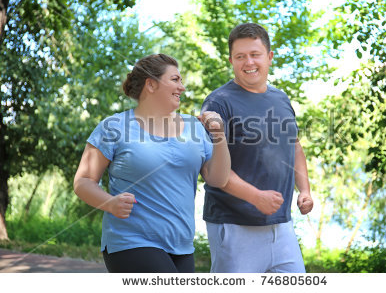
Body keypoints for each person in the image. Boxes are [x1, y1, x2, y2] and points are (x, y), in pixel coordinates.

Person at [73, 53, 230, 273]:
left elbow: (219, 179)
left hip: (182, 246)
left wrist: (219, 135)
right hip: (131, 242)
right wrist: (109, 203)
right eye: (175, 80)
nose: (182, 87)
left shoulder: (194, 128)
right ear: (151, 84)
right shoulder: (114, 127)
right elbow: (83, 182)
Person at [201, 23, 314, 273]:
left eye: (255, 54)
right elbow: (211, 169)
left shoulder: (281, 99)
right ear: (231, 60)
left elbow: (294, 147)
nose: (248, 62)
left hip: (282, 226)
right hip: (234, 227)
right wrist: (255, 197)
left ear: (269, 57)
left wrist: (304, 190)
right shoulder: (218, 103)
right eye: (240, 56)